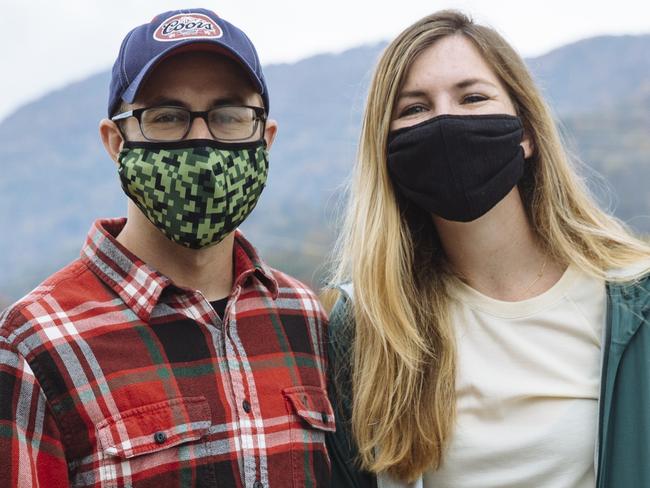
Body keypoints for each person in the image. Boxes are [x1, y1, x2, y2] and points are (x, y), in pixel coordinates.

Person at [0, 8, 334, 487]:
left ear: (265, 137)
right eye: (167, 117)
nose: (201, 141)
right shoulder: (34, 343)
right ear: (116, 142)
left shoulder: (304, 318)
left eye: (227, 115)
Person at [326, 10, 650, 488]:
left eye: (472, 97)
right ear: (388, 149)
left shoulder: (632, 301)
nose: (445, 121)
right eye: (415, 109)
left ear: (525, 133)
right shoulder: (369, 327)